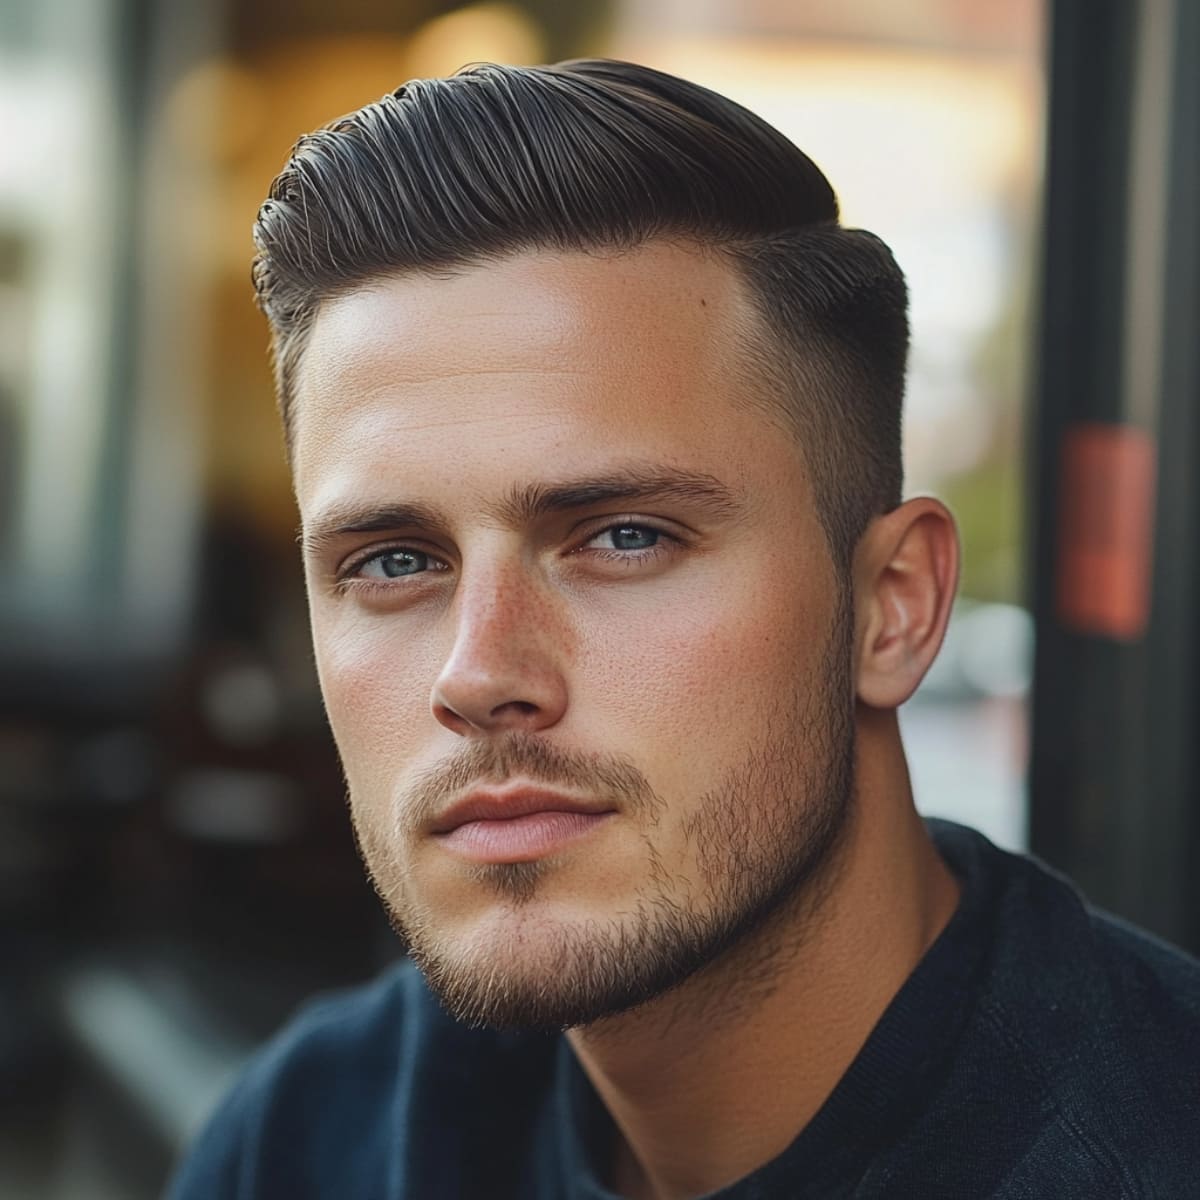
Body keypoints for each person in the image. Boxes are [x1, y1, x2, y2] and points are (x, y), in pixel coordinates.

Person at [167, 59, 1200, 1199]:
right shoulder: (316, 1137)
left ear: (893, 605)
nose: (478, 672)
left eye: (624, 538)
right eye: (396, 562)